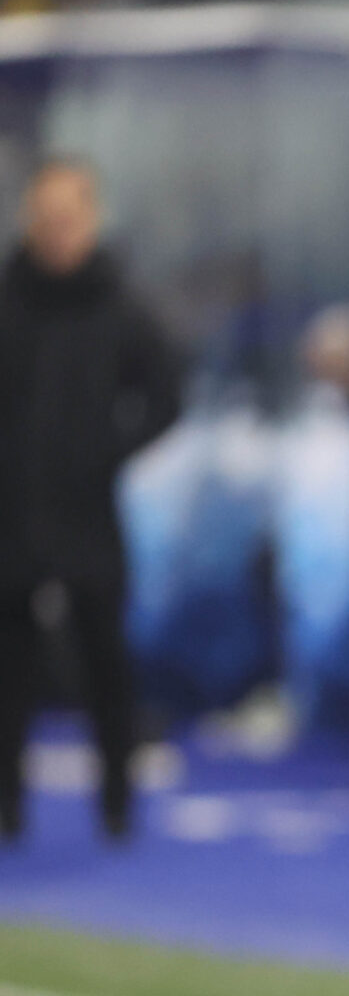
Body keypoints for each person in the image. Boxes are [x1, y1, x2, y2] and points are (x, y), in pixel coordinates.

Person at [0, 158, 180, 844]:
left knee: (104, 659)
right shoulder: (8, 300)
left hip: (86, 515)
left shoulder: (121, 306)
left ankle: (117, 802)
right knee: (9, 670)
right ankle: (7, 806)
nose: (57, 229)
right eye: (46, 216)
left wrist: (106, 449)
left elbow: (166, 395)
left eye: (69, 216)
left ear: (91, 218)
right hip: (12, 514)